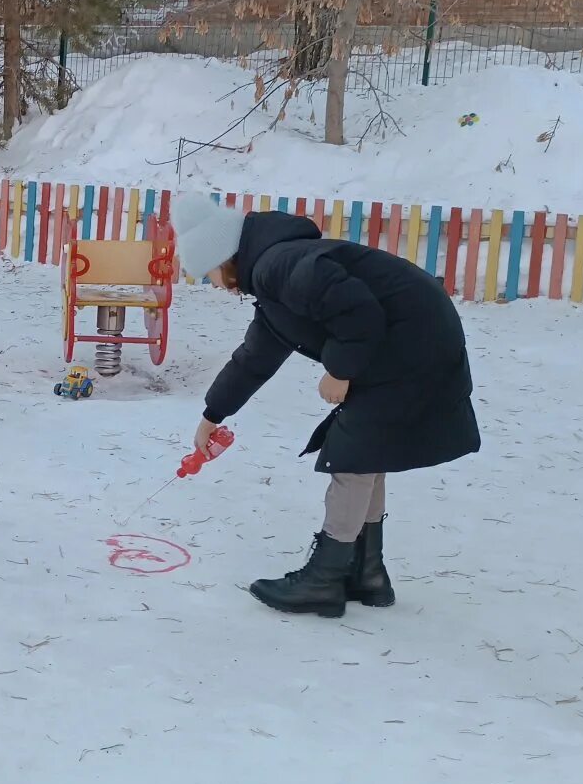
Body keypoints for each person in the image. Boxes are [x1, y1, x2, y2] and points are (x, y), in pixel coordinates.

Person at [175, 193, 481, 618]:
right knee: (367, 451)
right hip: (413, 341)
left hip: (413, 343)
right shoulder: (274, 274)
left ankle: (325, 578)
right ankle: (365, 572)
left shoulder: (279, 266)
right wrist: (213, 413)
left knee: (352, 453)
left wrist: (339, 369)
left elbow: (357, 311)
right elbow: (255, 357)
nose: (213, 283)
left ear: (224, 257)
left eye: (208, 272)